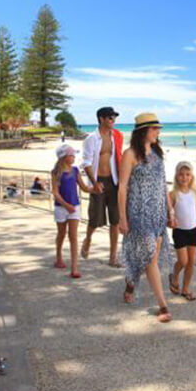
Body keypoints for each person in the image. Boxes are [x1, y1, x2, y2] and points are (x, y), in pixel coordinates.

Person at [118, 112, 175, 323]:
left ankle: (130, 283)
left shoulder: (158, 153)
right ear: (143, 131)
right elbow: (122, 187)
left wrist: (170, 210)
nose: (158, 132)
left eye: (158, 129)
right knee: (151, 258)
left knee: (147, 257)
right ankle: (162, 305)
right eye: (154, 128)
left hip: (158, 213)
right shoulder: (130, 154)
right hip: (138, 213)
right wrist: (122, 218)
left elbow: (163, 184)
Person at [80, 107, 124, 267]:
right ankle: (88, 239)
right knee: (95, 218)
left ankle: (113, 257)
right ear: (101, 119)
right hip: (98, 180)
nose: (113, 120)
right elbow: (86, 163)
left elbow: (120, 157)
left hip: (113, 181)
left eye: (114, 118)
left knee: (115, 220)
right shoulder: (91, 138)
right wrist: (94, 182)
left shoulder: (116, 136)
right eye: (110, 118)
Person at [52, 144, 95, 278]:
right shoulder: (55, 172)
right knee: (61, 234)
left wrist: (95, 188)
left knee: (73, 236)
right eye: (71, 155)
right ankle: (58, 256)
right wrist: (66, 205)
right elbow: (55, 193)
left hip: (75, 207)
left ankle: (74, 268)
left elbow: (83, 188)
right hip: (61, 207)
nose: (74, 157)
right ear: (64, 157)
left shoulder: (75, 170)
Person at [168, 162, 196, 301]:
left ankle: (185, 289)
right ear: (177, 176)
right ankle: (174, 276)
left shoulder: (195, 193)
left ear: (192, 177)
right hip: (180, 232)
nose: (184, 177)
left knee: (191, 262)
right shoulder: (172, 194)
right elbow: (168, 216)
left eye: (187, 175)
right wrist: (170, 222)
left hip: (193, 230)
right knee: (183, 261)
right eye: (181, 175)